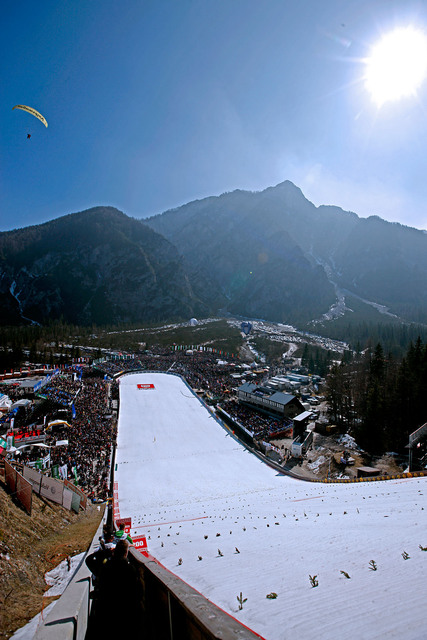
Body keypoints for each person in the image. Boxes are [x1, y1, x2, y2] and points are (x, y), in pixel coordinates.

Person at [91, 539, 145, 636]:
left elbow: (89, 560)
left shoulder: (105, 567)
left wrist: (107, 552)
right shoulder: (130, 569)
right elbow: (139, 593)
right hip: (126, 615)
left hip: (106, 614)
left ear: (115, 551)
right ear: (126, 553)